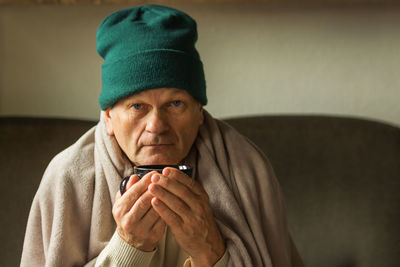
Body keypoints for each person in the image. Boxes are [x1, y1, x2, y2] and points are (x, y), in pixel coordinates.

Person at [21, 5, 303, 267]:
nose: (156, 125)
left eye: (175, 104)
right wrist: (128, 248)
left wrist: (211, 252)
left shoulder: (247, 168)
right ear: (108, 117)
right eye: (137, 106)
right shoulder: (68, 176)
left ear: (199, 111)